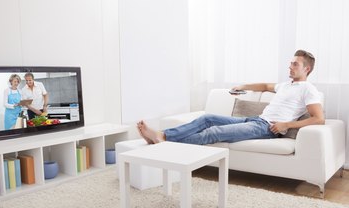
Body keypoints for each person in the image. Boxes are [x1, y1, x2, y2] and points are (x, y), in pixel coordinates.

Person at [137, 49, 325, 145]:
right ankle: (163, 136)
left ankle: (163, 139)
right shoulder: (286, 85)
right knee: (207, 118)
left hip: (267, 128)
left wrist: (287, 125)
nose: (290, 67)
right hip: (255, 120)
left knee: (214, 133)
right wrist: (242, 86)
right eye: (290, 63)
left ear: (306, 69)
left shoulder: (308, 89)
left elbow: (319, 119)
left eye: (295, 64)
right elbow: (265, 86)